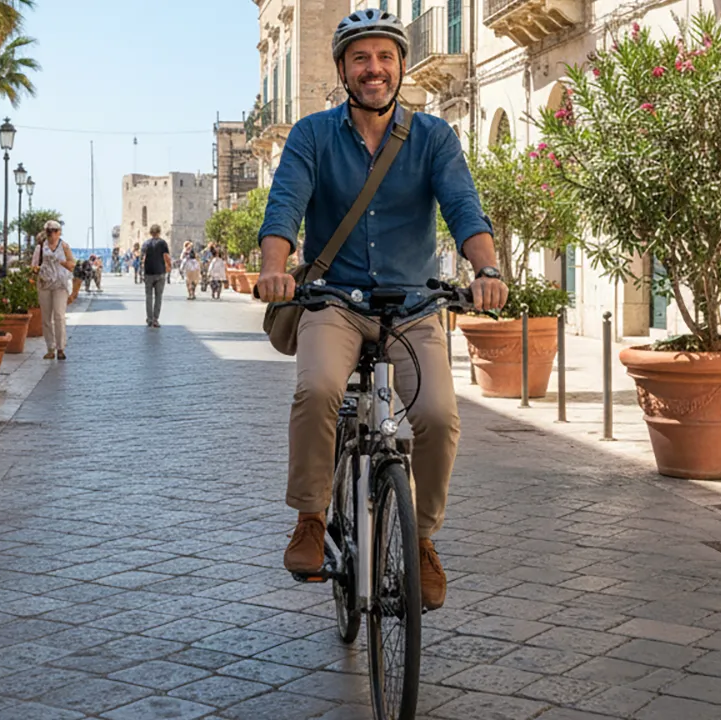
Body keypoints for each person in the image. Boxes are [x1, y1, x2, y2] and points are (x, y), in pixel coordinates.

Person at [255, 9, 507, 611]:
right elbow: (284, 206)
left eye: (385, 57)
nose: (375, 69)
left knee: (439, 416)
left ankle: (421, 540)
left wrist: (487, 270)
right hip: (334, 300)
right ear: (343, 69)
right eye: (361, 58)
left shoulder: (433, 138)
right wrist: (273, 268)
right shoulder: (313, 136)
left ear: (400, 65)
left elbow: (463, 207)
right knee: (317, 388)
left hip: (412, 305)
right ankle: (311, 518)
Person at [31, 220, 75, 360]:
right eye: (49, 231)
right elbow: (34, 265)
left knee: (59, 315)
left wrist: (62, 263)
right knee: (46, 318)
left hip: (60, 284)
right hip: (45, 284)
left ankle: (60, 348)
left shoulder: (64, 247)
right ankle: (50, 348)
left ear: (59, 232)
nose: (51, 233)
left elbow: (72, 264)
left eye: (54, 231)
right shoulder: (40, 247)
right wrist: (37, 271)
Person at [141, 224, 171, 328]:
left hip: (148, 272)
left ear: (150, 233)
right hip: (160, 272)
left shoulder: (146, 244)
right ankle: (155, 319)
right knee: (159, 296)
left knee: (148, 296)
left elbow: (143, 258)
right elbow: (166, 256)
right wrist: (169, 266)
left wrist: (142, 271)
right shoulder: (162, 243)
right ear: (159, 232)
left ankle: (149, 319)